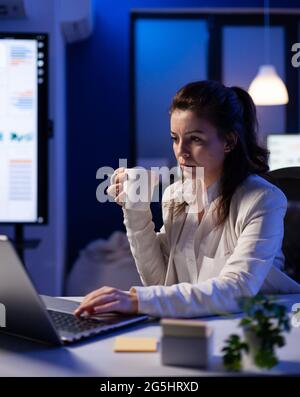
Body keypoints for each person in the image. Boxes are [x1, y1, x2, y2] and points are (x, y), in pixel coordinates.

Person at [74, 80, 300, 319]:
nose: (181, 152)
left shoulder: (263, 199)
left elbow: (238, 288)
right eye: (175, 138)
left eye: (196, 139)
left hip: (261, 326)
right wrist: (136, 208)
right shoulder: (175, 196)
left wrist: (136, 299)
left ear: (229, 141)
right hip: (200, 322)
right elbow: (160, 283)